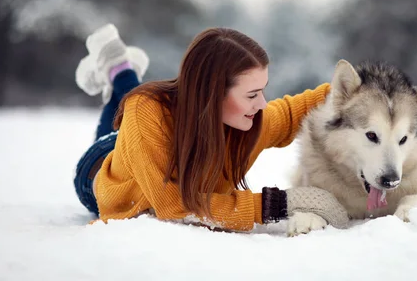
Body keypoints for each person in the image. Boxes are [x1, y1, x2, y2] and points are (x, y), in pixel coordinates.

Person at [73, 24, 348, 233]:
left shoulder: (246, 124)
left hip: (149, 137)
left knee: (135, 107)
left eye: (262, 91)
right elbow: (171, 205)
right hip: (103, 174)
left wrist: (360, 89)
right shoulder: (146, 112)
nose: (262, 104)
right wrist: (276, 204)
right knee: (135, 103)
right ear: (211, 94)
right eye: (252, 95)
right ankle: (119, 67)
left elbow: (292, 111)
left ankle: (119, 68)